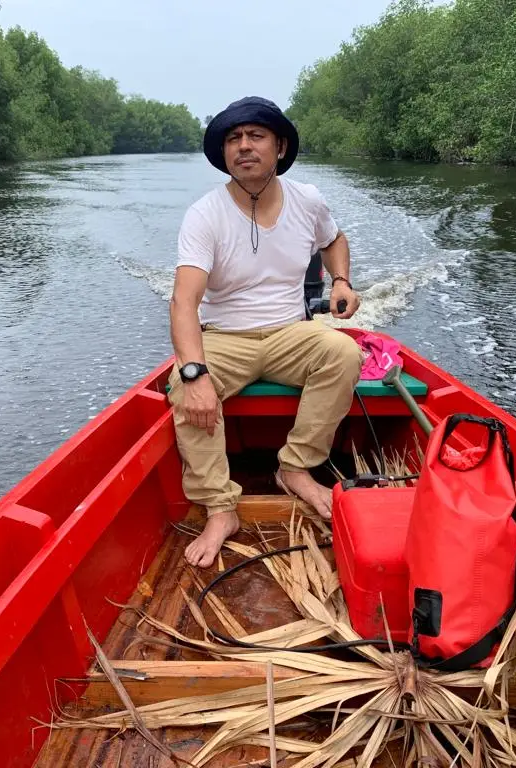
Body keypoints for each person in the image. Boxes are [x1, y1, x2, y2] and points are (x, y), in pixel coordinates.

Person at [167, 96, 363, 567]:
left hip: (288, 331)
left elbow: (333, 238)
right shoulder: (204, 214)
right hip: (225, 336)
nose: (244, 146)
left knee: (342, 353)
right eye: (233, 139)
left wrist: (340, 280)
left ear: (280, 146)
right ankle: (219, 507)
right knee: (182, 386)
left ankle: (295, 468)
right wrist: (195, 375)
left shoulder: (308, 200)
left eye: (256, 136)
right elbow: (184, 301)